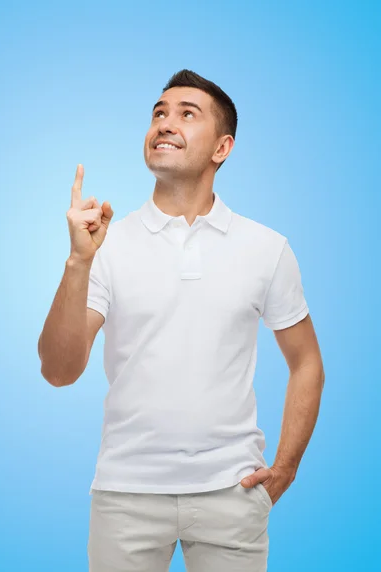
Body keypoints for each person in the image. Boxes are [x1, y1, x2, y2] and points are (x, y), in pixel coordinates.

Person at [37, 69, 325, 572]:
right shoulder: (108, 244)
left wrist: (285, 469)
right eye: (159, 113)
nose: (165, 123)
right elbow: (59, 371)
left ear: (222, 148)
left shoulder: (266, 249)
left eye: (187, 114)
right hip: (125, 495)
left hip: (231, 494)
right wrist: (78, 262)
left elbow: (306, 363)